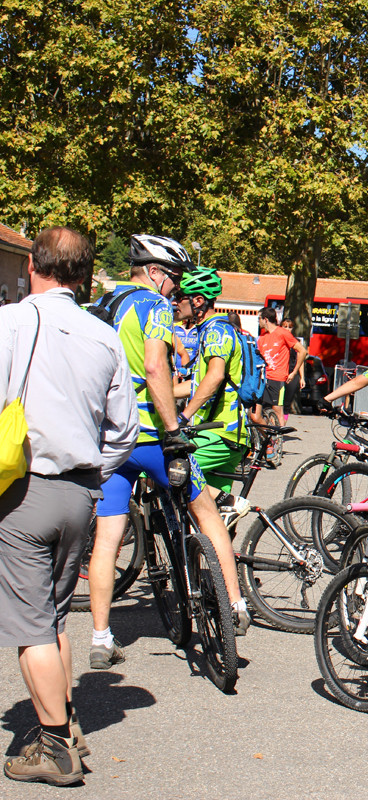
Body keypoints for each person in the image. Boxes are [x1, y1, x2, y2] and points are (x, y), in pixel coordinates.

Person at [0, 227, 138, 785]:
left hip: (23, 489)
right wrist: (90, 473)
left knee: (28, 624)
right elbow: (124, 429)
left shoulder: (9, 323)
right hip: (82, 493)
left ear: (33, 265)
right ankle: (66, 718)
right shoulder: (102, 336)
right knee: (54, 614)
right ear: (84, 278)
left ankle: (54, 746)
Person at [91, 238, 251, 676]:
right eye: (174, 279)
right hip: (150, 436)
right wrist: (175, 429)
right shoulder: (154, 307)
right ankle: (235, 604)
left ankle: (101, 637)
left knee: (107, 538)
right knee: (206, 513)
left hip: (109, 439)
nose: (174, 290)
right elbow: (156, 368)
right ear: (157, 272)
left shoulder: (101, 305)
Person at [171, 269, 253, 622]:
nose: (177, 303)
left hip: (220, 432)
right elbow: (194, 383)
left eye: (182, 297)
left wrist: (184, 417)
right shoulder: (207, 331)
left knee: (169, 468)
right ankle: (225, 596)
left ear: (199, 301)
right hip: (217, 431)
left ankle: (231, 502)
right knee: (210, 523)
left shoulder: (218, 330)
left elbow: (215, 377)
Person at [256, 307, 306, 424]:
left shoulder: (282, 333)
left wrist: (294, 372)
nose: (258, 321)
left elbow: (302, 351)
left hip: (277, 379)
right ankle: (266, 436)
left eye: (259, 319)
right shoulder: (262, 337)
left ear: (265, 319)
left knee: (277, 410)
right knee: (259, 411)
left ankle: (278, 437)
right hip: (263, 378)